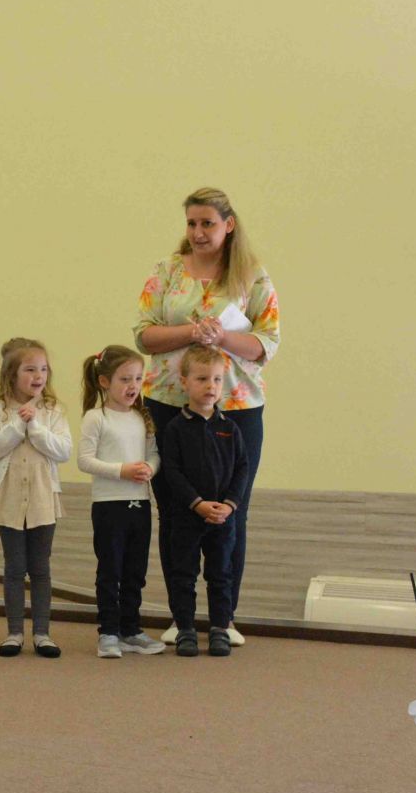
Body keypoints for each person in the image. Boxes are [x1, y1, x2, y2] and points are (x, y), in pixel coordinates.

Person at [134, 186, 279, 646]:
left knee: (231, 513)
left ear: (228, 225)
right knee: (176, 511)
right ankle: (181, 617)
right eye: (192, 223)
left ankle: (223, 619)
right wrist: (191, 332)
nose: (198, 232)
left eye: (208, 224)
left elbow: (266, 344)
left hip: (234, 409)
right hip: (169, 404)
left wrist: (221, 339)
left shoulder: (252, 276)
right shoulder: (167, 271)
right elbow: (144, 336)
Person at [153, 345, 250, 658]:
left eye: (217, 380)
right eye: (202, 379)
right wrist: (197, 503)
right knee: (184, 574)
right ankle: (185, 629)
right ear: (184, 382)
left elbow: (242, 469)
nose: (211, 386)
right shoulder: (176, 428)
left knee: (221, 574)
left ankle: (220, 628)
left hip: (223, 518)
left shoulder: (230, 428)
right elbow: (172, 472)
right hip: (187, 516)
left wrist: (230, 505)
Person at [0, 338, 73, 659]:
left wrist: (35, 426)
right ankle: (15, 633)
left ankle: (42, 633)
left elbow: (63, 450)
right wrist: (18, 422)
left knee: (40, 568)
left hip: (43, 496)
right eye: (30, 369)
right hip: (8, 497)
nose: (38, 376)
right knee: (14, 568)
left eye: (43, 369)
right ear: (11, 374)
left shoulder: (53, 411)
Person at [76, 345, 164, 660]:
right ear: (104, 382)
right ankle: (109, 633)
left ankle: (131, 630)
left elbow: (154, 454)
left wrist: (149, 468)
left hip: (139, 504)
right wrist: (122, 470)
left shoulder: (142, 417)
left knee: (135, 571)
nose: (133, 386)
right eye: (125, 379)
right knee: (110, 570)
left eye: (138, 378)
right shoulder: (96, 418)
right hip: (109, 504)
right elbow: (84, 461)